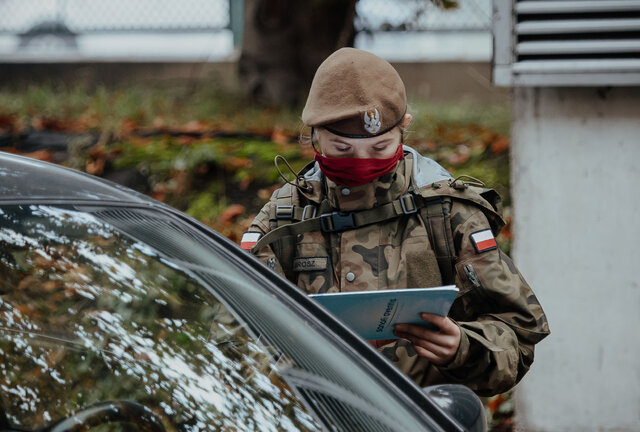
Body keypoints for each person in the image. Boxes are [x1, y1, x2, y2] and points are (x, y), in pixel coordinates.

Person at [242, 48, 549, 396]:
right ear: (314, 136)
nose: (362, 162)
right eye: (342, 149)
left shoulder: (447, 213)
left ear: (403, 131)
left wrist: (462, 347)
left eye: (381, 148)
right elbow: (234, 337)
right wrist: (294, 362)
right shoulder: (283, 220)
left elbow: (518, 336)